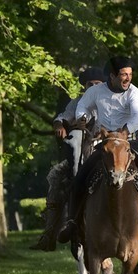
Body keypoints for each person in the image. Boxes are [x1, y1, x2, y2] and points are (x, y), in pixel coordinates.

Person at [56, 54, 138, 243]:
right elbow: (82, 106)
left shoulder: (135, 94)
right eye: (124, 74)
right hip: (104, 145)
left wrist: (123, 132)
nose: (128, 78)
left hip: (130, 142)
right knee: (80, 179)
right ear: (113, 76)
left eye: (130, 74)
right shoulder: (95, 92)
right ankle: (73, 223)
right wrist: (83, 118)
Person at [35, 64, 108, 251]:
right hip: (80, 153)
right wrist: (60, 125)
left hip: (105, 154)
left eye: (97, 83)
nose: (92, 87)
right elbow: (62, 117)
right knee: (56, 178)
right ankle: (48, 235)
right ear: (84, 86)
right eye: (89, 84)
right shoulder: (76, 102)